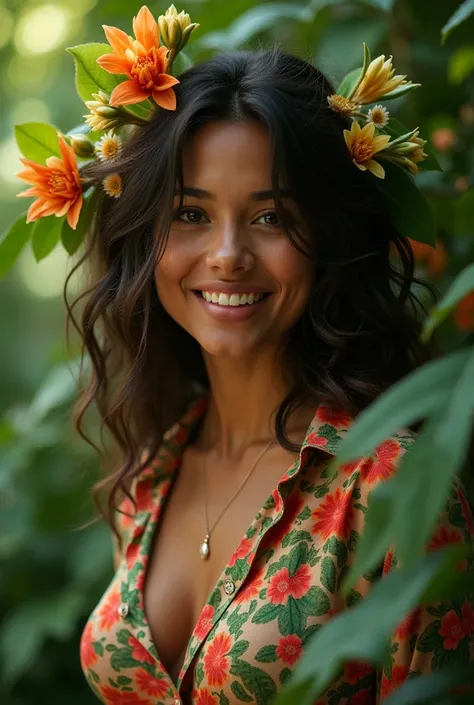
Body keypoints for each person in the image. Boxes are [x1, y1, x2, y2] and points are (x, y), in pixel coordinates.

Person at [66, 45, 474, 705]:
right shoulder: (147, 477)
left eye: (271, 217)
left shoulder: (391, 489)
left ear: (329, 238)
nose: (227, 255)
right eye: (191, 213)